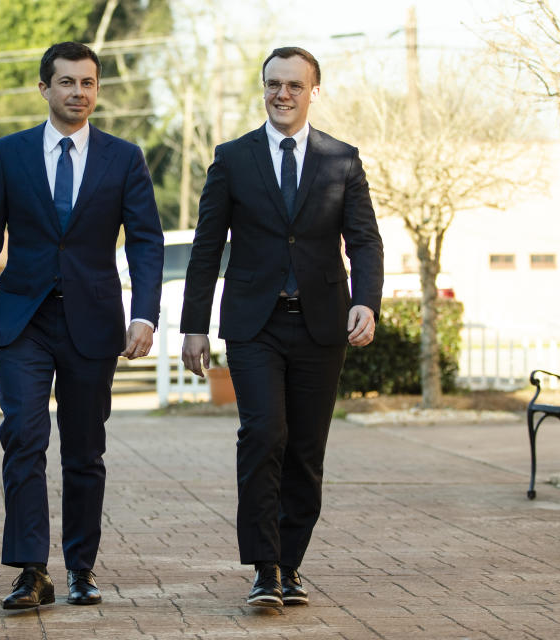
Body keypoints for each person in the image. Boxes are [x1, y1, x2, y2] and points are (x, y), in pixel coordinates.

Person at [0, 41, 163, 610]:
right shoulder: (10, 154)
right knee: (23, 438)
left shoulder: (124, 159)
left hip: (92, 322)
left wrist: (144, 314)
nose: (79, 92)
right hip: (22, 319)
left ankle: (80, 567)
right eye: (68, 82)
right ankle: (31, 570)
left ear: (97, 90)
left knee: (83, 450)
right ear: (45, 88)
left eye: (88, 83)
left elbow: (146, 242)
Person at [180, 46, 383, 608]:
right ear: (263, 87)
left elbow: (364, 240)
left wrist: (366, 300)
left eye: (294, 85)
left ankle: (290, 564)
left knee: (306, 450)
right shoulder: (232, 158)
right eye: (273, 83)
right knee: (264, 433)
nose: (282, 94)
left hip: (321, 326)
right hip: (253, 326)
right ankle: (264, 568)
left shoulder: (342, 160)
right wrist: (194, 324)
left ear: (313, 91)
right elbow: (205, 247)